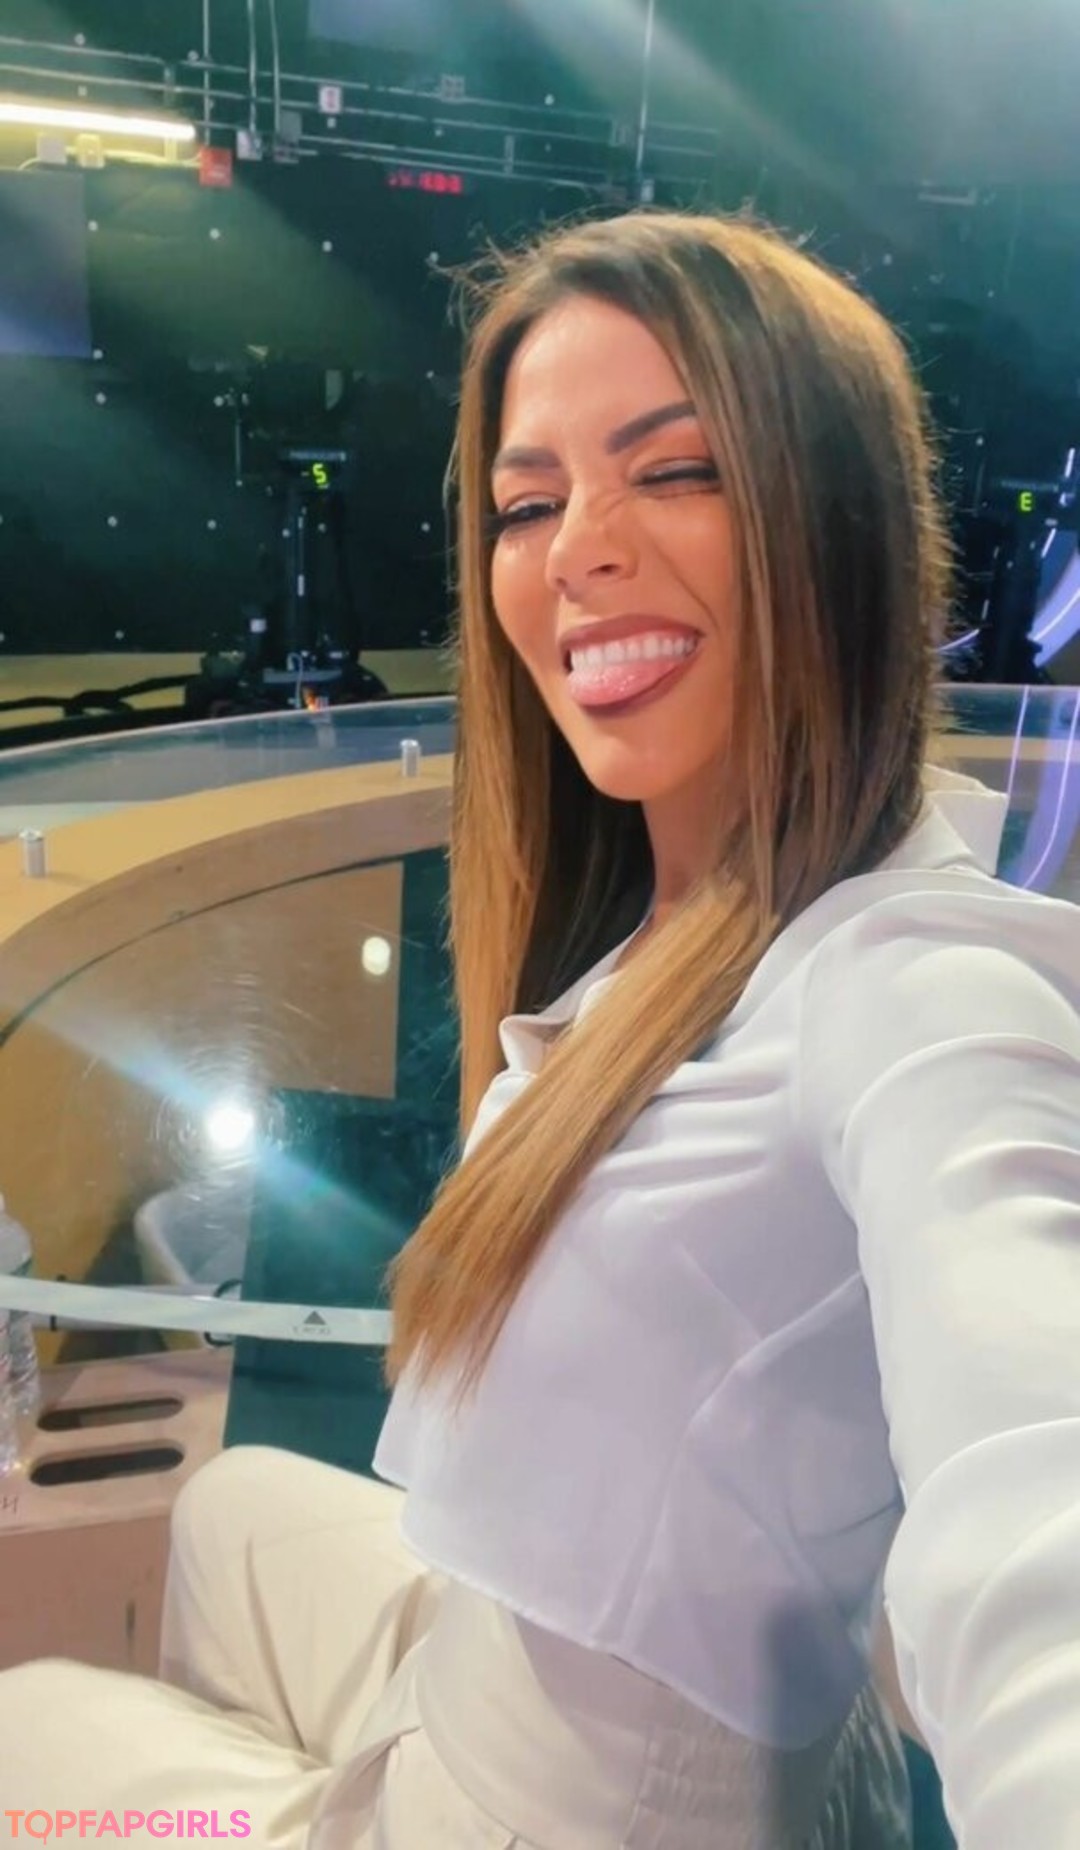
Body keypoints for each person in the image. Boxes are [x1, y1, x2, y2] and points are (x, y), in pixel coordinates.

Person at [1, 210, 1077, 1849]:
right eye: (528, 501)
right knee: (222, 1504)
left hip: (568, 1810)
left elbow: (1041, 1505)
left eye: (677, 470)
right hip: (500, 1653)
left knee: (26, 1722)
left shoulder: (918, 982)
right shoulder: (688, 905)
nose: (577, 548)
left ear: (840, 521)